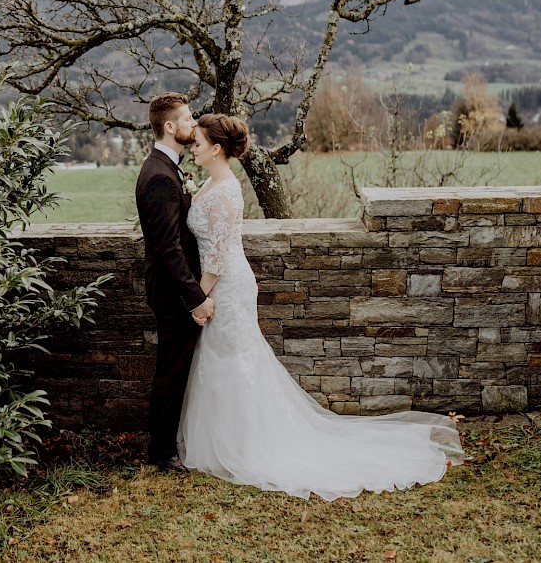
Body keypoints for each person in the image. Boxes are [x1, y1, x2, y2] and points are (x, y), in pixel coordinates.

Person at [178, 113, 465, 500]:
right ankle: (223, 440)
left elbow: (216, 255)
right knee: (222, 358)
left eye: (196, 143)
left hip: (227, 285)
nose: (191, 147)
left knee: (236, 360)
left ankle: (249, 444)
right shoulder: (211, 182)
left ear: (215, 148)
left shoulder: (227, 190)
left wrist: (199, 297)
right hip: (218, 285)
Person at [135, 92, 216, 473]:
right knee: (170, 370)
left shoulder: (167, 168)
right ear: (169, 127)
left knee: (176, 366)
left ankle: (167, 446)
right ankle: (162, 452)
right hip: (172, 293)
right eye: (187, 119)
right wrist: (195, 297)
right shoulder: (158, 177)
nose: (193, 123)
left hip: (174, 289)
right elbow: (168, 249)